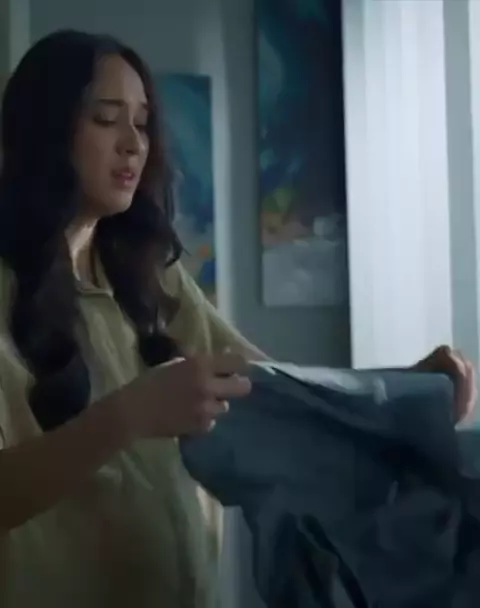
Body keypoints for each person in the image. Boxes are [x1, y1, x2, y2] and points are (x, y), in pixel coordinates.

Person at [0, 29, 475, 608]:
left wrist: (405, 393)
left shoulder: (154, 279)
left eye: (142, 123)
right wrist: (130, 414)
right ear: (45, 131)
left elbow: (277, 392)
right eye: (106, 119)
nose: (133, 144)